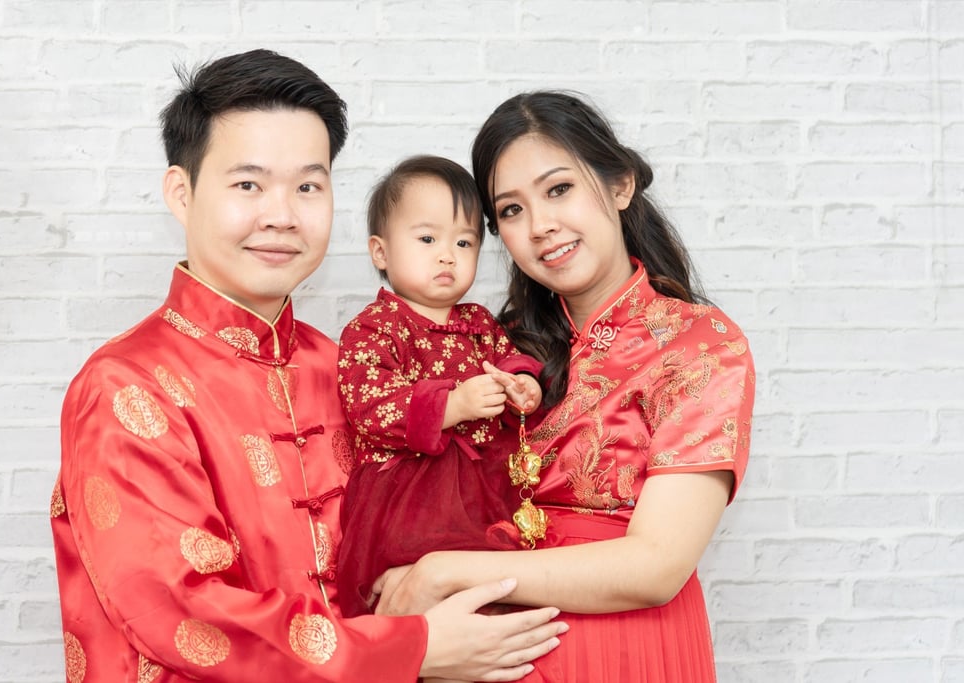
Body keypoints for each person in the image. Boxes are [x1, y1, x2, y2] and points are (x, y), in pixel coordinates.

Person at [48, 50, 566, 683]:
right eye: (248, 184)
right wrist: (413, 647)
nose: (282, 215)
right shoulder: (124, 386)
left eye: (308, 186)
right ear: (181, 194)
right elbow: (178, 610)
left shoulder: (342, 365)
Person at [372, 91, 756, 682]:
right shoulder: (494, 351)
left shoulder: (696, 343)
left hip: (629, 654)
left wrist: (443, 573)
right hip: (486, 656)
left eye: (558, 190)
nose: (541, 227)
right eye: (511, 211)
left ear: (621, 184)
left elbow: (656, 567)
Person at [334, 155, 544, 618]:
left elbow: (507, 360)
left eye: (464, 242)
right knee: (418, 590)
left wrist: (521, 385)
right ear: (381, 251)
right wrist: (452, 405)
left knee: (493, 593)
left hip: (483, 486)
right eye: (428, 239)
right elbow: (368, 404)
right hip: (413, 493)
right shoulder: (376, 327)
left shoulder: (479, 322)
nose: (447, 254)